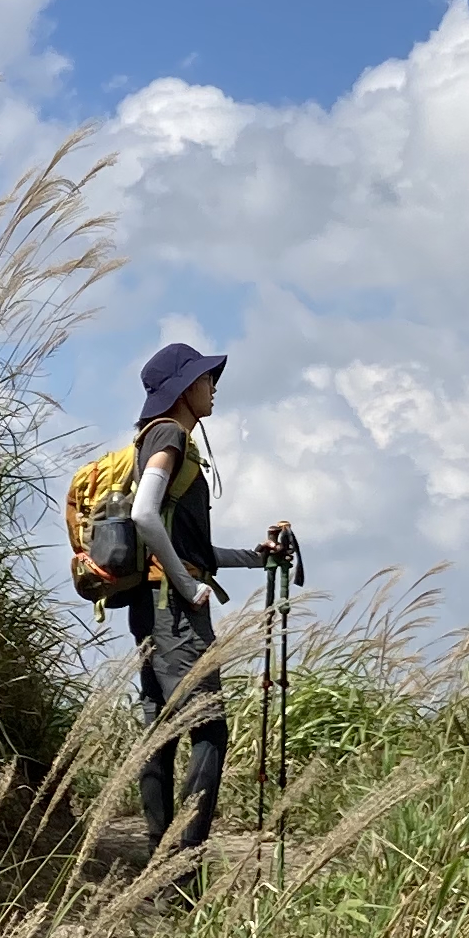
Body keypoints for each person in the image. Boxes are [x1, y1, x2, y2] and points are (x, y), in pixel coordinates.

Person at [123, 340, 291, 860]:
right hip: (175, 611)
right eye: (205, 378)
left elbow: (190, 546)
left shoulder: (153, 439)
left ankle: (158, 860)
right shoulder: (170, 434)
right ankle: (184, 863)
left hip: (150, 604)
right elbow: (144, 517)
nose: (213, 386)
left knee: (161, 731)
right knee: (209, 728)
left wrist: (254, 556)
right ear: (182, 388)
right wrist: (187, 585)